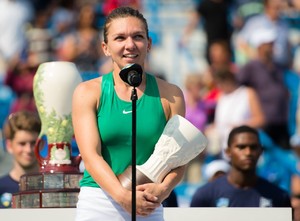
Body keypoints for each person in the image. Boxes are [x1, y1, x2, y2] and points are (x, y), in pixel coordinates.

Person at [72, 6, 186, 221]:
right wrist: (123, 196)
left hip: (149, 203)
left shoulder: (172, 95)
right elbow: (91, 155)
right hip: (99, 202)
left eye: (138, 37)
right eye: (120, 38)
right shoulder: (87, 92)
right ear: (105, 48)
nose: (130, 45)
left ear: (149, 44)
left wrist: (163, 190)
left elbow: (179, 157)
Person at [190, 125, 291, 207]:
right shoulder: (205, 195)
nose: (248, 152)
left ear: (261, 151)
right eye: (241, 147)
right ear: (228, 152)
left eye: (253, 147)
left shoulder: (279, 196)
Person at [237, 27, 290, 150]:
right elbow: (238, 89)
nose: (272, 46)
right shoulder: (250, 67)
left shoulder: (278, 66)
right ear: (260, 46)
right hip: (263, 127)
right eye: (268, 44)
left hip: (281, 123)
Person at [0, 110, 41, 208]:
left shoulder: (51, 188)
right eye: (22, 144)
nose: (28, 150)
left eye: (33, 143)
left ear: (41, 144)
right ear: (9, 145)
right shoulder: (1, 187)